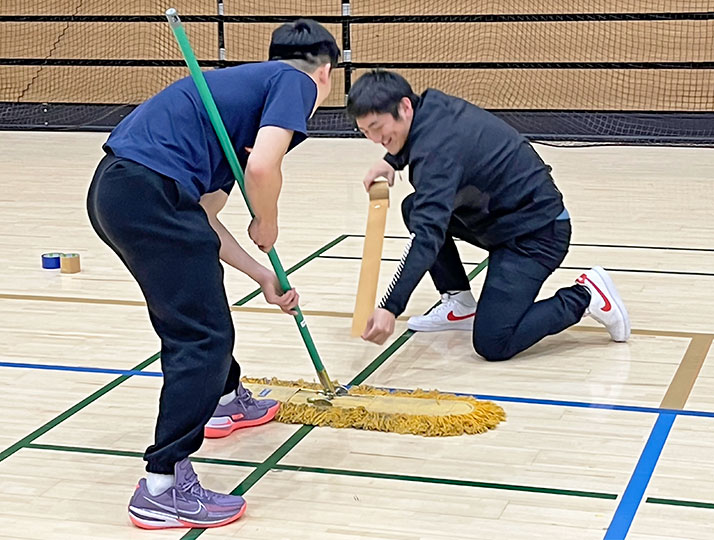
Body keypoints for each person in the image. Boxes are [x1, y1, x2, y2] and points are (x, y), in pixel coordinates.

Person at [86, 20, 339, 529]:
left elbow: (202, 218)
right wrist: (267, 220)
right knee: (201, 334)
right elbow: (263, 171)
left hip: (124, 193)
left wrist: (261, 276)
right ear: (327, 73)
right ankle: (161, 486)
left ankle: (224, 401)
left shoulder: (235, 103)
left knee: (197, 313)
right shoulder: (295, 81)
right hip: (147, 192)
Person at [346, 70, 630, 359]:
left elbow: (428, 236)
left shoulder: (437, 155)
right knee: (415, 207)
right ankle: (459, 304)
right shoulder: (430, 107)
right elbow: (421, 141)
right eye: (365, 131)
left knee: (493, 343)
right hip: (500, 217)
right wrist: (391, 160)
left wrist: (391, 307)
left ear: (404, 107)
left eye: (377, 127)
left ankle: (586, 296)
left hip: (536, 236)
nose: (374, 138)